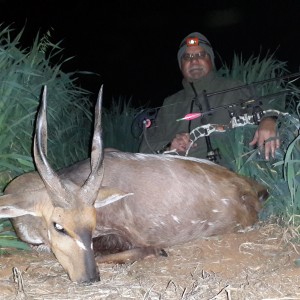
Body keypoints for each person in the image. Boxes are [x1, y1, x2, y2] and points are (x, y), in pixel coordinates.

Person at [139, 32, 279, 163]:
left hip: (227, 176)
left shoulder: (233, 87)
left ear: (211, 60)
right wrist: (169, 147)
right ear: (181, 65)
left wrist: (268, 120)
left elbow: (266, 108)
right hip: (179, 177)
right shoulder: (170, 103)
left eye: (201, 55)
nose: (194, 61)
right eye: (187, 57)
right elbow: (145, 149)